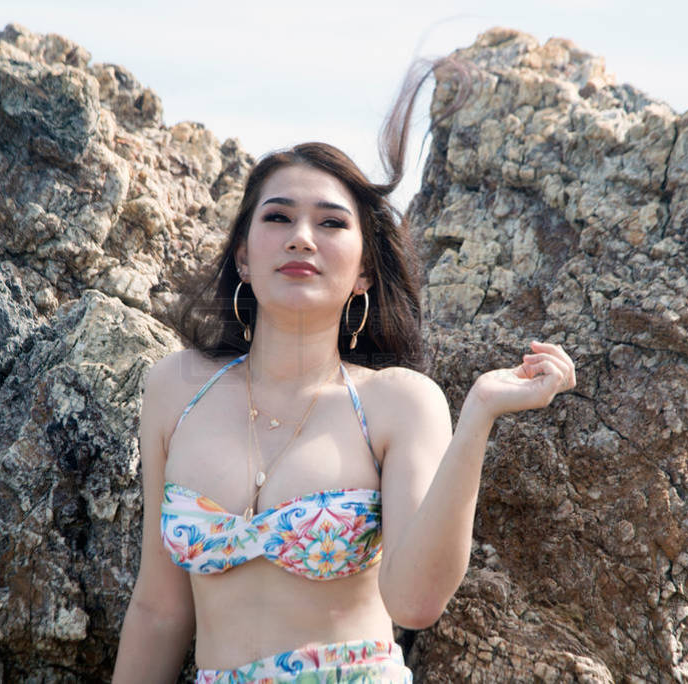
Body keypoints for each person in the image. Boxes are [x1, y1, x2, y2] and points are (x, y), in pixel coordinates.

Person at [112, 60, 576, 683]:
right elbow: (159, 610)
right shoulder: (175, 389)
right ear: (244, 258)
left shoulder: (398, 403)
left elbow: (414, 602)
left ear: (362, 272)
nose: (302, 237)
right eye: (277, 218)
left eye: (331, 223)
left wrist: (479, 417)